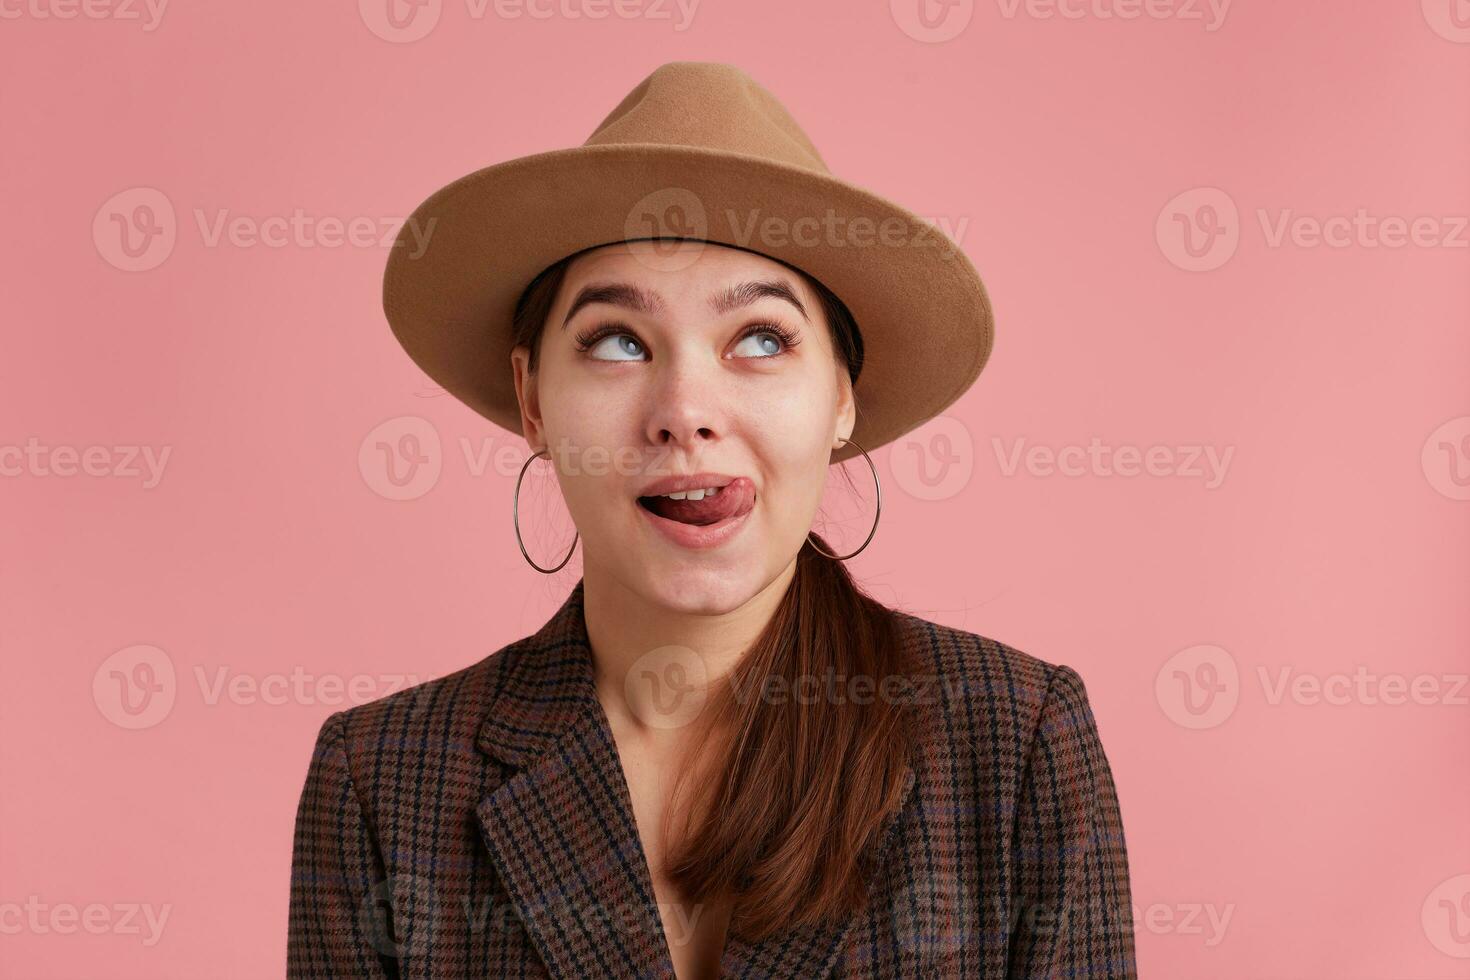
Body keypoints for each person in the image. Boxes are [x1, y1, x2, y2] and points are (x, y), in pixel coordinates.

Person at [287, 61, 1137, 979]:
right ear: (533, 399)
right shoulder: (382, 780)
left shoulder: (1012, 745)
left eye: (762, 340)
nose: (684, 408)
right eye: (618, 341)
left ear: (843, 397)